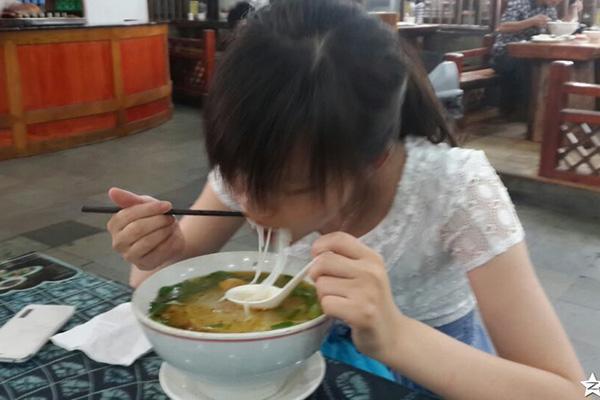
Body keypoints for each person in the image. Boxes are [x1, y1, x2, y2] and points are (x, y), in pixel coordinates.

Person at [106, 0, 584, 397]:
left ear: (373, 159)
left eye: (292, 188)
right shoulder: (256, 163)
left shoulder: (455, 188)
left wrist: (394, 334)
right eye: (238, 175)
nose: (250, 205)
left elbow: (575, 390)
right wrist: (160, 252)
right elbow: (156, 279)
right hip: (292, 370)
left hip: (434, 372)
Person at [491, 0, 583, 117]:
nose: (557, 2)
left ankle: (548, 111)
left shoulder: (549, 8)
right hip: (505, 53)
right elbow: (502, 27)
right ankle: (524, 113)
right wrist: (531, 22)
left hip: (533, 53)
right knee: (528, 66)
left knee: (553, 65)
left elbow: (556, 29)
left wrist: (573, 12)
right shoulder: (520, 3)